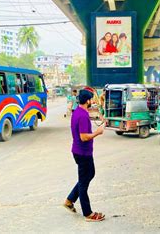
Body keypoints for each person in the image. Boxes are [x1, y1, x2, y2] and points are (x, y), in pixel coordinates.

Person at [64, 89, 105, 222]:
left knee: (90, 174)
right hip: (82, 153)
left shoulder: (79, 112)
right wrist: (97, 133)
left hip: (81, 151)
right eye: (91, 99)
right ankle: (88, 213)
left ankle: (69, 200)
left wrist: (99, 118)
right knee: (83, 183)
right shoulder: (82, 115)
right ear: (87, 101)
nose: (93, 101)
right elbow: (83, 137)